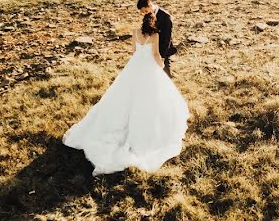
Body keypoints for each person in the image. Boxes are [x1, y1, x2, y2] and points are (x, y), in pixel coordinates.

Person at [62, 10, 189, 176]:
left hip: (135, 66)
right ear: (153, 23)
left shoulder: (135, 32)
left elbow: (134, 51)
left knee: (123, 95)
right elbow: (157, 55)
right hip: (149, 67)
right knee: (151, 98)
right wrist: (160, 66)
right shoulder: (155, 35)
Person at [137, 0, 177, 78]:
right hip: (151, 47)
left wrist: (162, 55)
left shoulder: (165, 17)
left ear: (150, 5)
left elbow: (167, 37)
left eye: (145, 11)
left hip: (163, 48)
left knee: (165, 73)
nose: (144, 13)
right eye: (142, 12)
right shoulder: (148, 15)